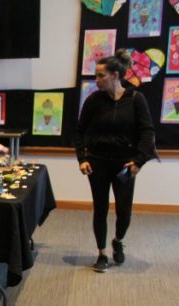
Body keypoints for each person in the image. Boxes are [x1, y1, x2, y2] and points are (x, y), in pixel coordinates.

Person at [74, 49, 157, 273]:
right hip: (97, 162)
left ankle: (118, 241)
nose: (97, 80)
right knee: (100, 209)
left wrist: (138, 161)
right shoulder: (94, 100)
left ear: (115, 75)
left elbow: (147, 132)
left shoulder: (136, 99)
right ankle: (101, 254)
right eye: (96, 75)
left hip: (125, 165)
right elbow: (80, 131)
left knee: (124, 212)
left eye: (101, 75)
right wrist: (82, 158)